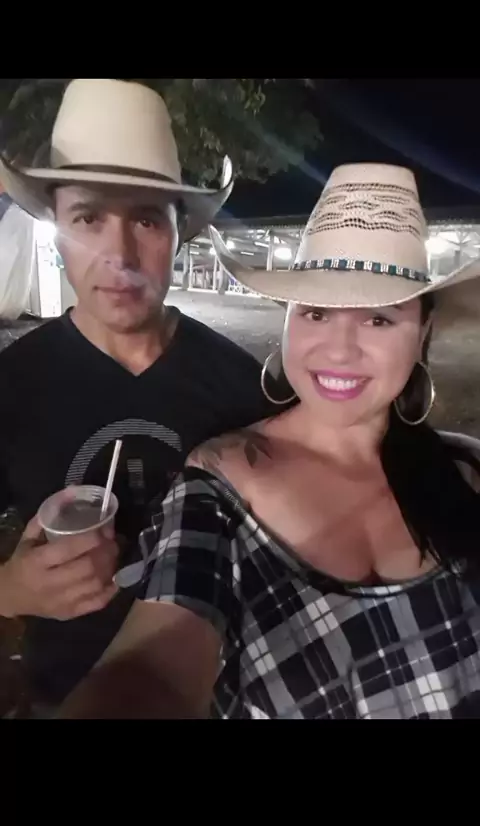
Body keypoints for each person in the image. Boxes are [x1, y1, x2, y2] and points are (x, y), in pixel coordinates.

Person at [56, 162, 480, 720]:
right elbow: (153, 670)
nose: (339, 350)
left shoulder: (465, 470)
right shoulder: (221, 484)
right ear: (287, 320)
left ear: (423, 331)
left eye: (379, 319)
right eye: (316, 313)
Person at [0, 78, 280, 713]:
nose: (119, 255)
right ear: (55, 229)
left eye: (148, 219)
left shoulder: (243, 388)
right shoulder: (12, 386)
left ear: (181, 233)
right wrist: (11, 590)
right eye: (88, 218)